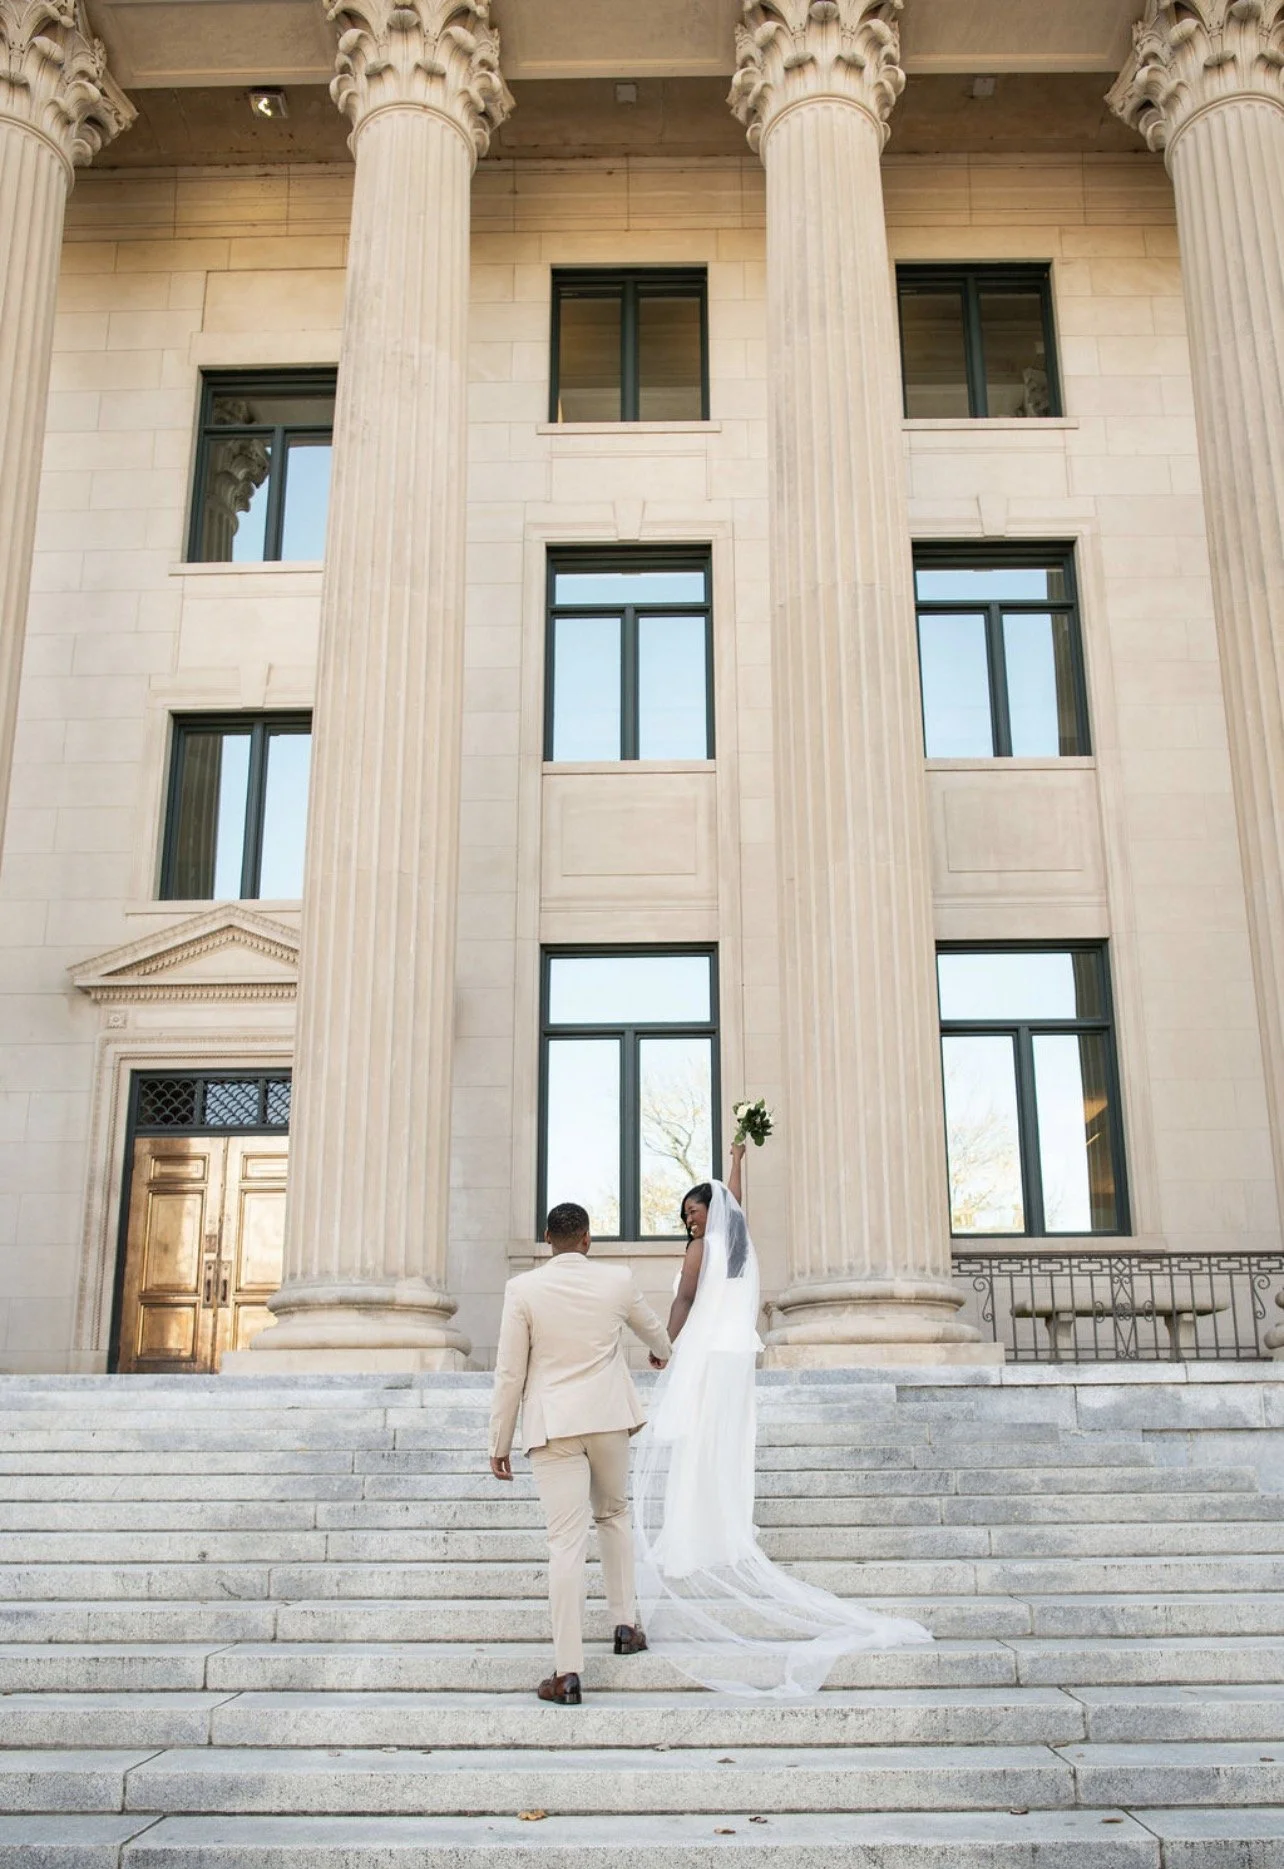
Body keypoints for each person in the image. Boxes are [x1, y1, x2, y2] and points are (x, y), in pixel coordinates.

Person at [632, 1151, 933, 1697]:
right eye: (686, 1215)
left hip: (707, 1352)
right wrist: (738, 1155)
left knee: (700, 1438)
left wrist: (664, 1345)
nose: (689, 1220)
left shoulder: (705, 1247)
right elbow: (734, 1199)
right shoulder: (738, 1244)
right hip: (733, 1354)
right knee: (720, 1439)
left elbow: (683, 1296)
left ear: (710, 1210)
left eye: (694, 1210)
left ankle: (694, 1531)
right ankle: (719, 1523)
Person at [488, 1200, 672, 1706]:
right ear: (588, 1238)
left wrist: (499, 1440)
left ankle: (567, 1673)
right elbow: (655, 1331)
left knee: (565, 1543)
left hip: (553, 1426)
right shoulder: (616, 1279)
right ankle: (625, 1626)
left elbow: (510, 1372)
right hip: (609, 1418)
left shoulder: (522, 1289)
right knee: (613, 1515)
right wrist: (662, 1353)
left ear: (548, 1239)